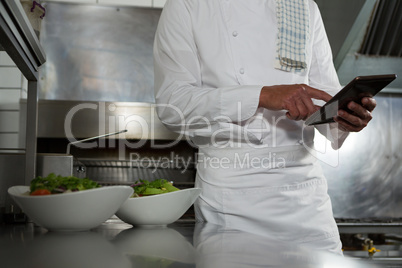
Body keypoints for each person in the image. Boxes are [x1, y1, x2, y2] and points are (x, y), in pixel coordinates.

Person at [153, 0, 376, 255]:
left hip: (308, 203)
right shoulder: (188, 5)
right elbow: (173, 105)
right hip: (233, 201)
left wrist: (347, 116)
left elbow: (324, 97)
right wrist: (260, 95)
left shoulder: (303, 6)